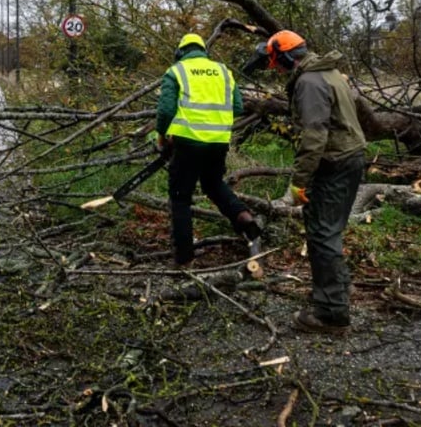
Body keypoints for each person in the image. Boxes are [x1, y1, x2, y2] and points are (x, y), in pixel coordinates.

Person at [256, 29, 366, 333]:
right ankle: (338, 290)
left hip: (333, 162)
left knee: (322, 234)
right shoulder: (328, 73)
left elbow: (314, 136)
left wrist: (299, 180)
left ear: (287, 56)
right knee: (332, 230)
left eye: (276, 61)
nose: (275, 68)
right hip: (349, 157)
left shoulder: (309, 82)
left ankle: (331, 313)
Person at [155, 33, 262, 267]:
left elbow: (165, 112)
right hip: (218, 142)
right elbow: (237, 106)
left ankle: (184, 259)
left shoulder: (177, 71)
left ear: (180, 52)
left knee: (181, 198)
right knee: (213, 184)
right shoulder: (223, 71)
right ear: (204, 50)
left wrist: (163, 138)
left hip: (187, 142)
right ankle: (243, 217)